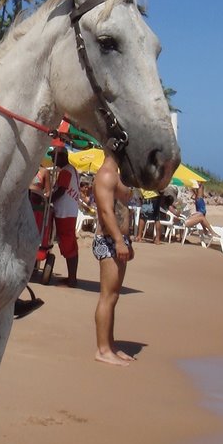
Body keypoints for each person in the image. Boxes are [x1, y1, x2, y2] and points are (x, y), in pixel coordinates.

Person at [92, 151, 135, 366]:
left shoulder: (117, 175)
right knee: (107, 296)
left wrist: (127, 242)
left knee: (114, 296)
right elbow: (107, 212)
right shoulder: (107, 175)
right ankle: (103, 349)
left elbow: (123, 209)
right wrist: (119, 241)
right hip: (108, 241)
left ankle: (110, 344)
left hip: (118, 241)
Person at [51, 148, 81, 286]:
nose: (53, 159)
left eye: (54, 156)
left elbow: (61, 191)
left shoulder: (65, 171)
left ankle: (72, 279)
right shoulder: (72, 169)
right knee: (70, 244)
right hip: (70, 211)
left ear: (62, 156)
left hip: (64, 213)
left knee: (68, 244)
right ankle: (71, 277)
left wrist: (48, 199)